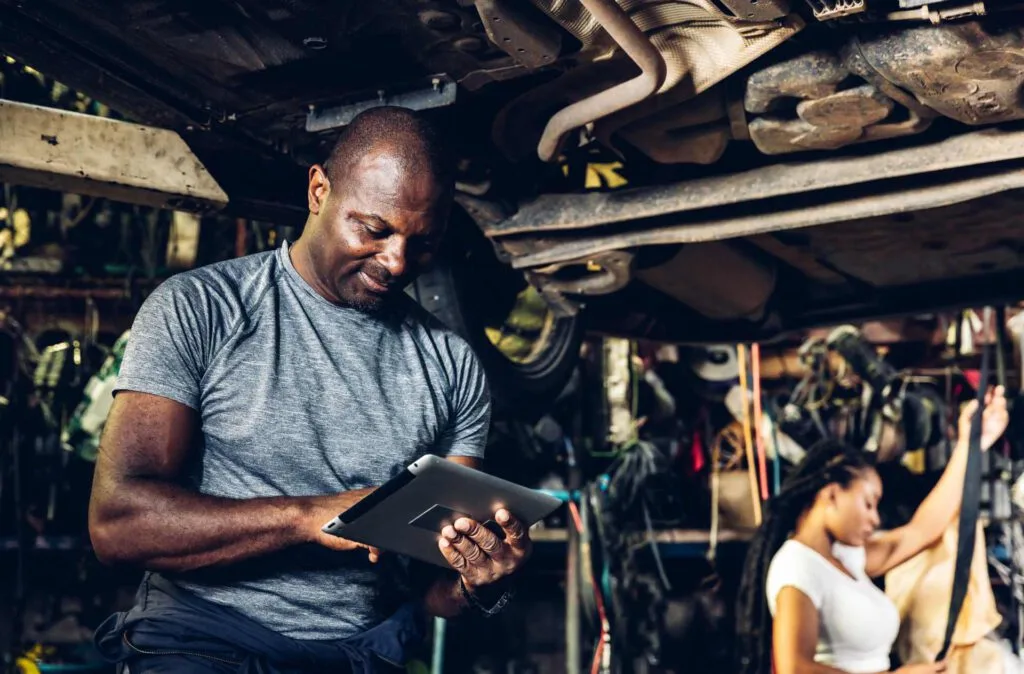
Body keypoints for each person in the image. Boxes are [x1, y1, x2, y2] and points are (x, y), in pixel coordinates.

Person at [88, 107, 532, 674]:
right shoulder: (200, 309)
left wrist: (481, 580)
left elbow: (436, 593)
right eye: (374, 230)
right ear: (319, 190)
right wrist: (307, 517)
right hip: (202, 640)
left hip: (359, 656)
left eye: (423, 242)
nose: (397, 262)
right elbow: (117, 526)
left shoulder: (452, 366)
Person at [735, 386, 1009, 674]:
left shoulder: (846, 559)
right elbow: (793, 668)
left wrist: (972, 445)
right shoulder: (797, 565)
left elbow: (921, 530)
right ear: (831, 495)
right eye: (868, 503)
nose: (875, 519)